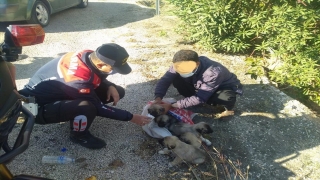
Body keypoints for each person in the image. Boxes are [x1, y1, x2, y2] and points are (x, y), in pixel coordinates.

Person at [19, 43, 151, 149]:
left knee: (117, 91)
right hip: (35, 108)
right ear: (101, 64)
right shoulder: (77, 79)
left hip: (59, 92)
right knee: (87, 107)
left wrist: (110, 85)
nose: (113, 72)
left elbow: (96, 75)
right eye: (113, 70)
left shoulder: (89, 55)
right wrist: (131, 117)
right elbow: (98, 107)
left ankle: (73, 113)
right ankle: (79, 135)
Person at [153, 49, 243, 119]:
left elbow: (201, 97)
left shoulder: (213, 72)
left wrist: (172, 105)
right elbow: (165, 80)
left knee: (226, 97)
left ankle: (229, 110)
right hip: (200, 85)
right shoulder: (178, 65)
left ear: (197, 63)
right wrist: (158, 97)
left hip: (221, 87)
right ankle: (191, 101)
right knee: (177, 79)